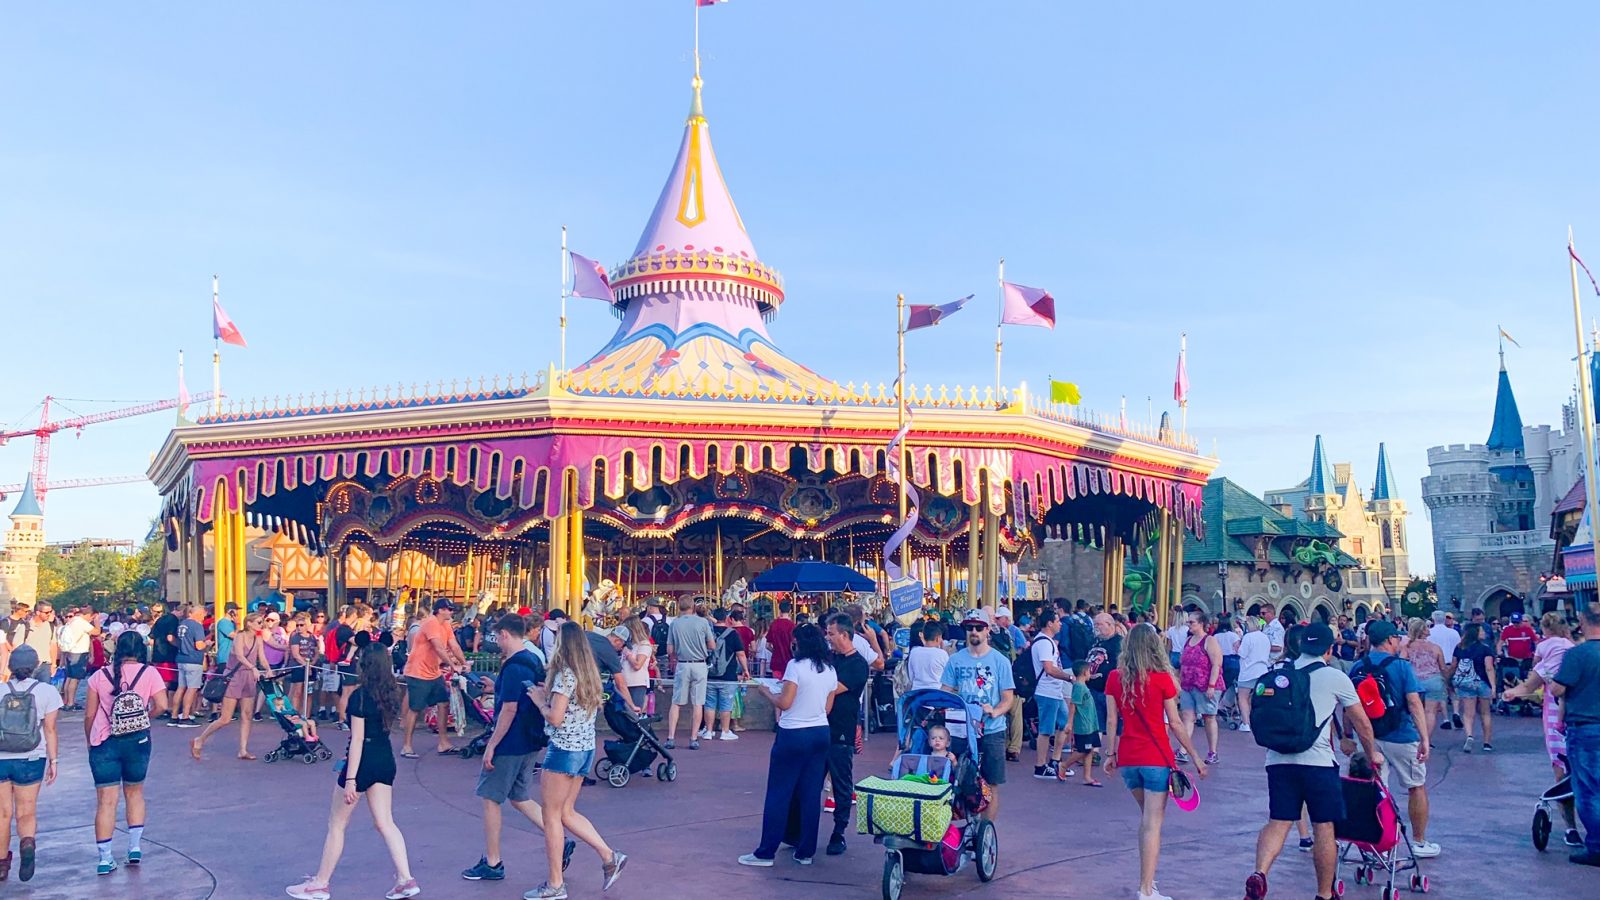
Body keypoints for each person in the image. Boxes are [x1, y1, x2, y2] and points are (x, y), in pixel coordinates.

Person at [1244, 622, 1382, 900]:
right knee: (1324, 826)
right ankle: (1324, 893)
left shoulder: (1279, 673)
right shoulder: (1334, 677)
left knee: (1279, 821)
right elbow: (1362, 723)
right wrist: (1371, 754)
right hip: (1317, 762)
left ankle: (1260, 873)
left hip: (1279, 760)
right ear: (1329, 649)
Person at [287, 644, 420, 900]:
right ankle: (405, 878)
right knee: (385, 822)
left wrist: (350, 779)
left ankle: (320, 883)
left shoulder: (359, 697)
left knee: (337, 823)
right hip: (385, 758)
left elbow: (357, 739)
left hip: (363, 760)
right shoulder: (391, 693)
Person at [460, 614, 575, 884]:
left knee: (490, 797)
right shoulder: (532, 660)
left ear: (504, 635)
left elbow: (509, 709)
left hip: (511, 741)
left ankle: (493, 861)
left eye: (498, 637)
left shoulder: (513, 666)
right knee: (519, 796)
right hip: (529, 739)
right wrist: (495, 686)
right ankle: (559, 838)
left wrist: (491, 745)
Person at [1102, 624, 1207, 900]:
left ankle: (1148, 882)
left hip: (1128, 757)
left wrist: (1110, 753)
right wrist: (1195, 756)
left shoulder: (1115, 677)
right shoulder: (1162, 679)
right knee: (1153, 824)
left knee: (1146, 821)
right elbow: (1175, 723)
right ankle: (1146, 889)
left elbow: (1112, 720)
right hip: (1156, 757)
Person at [527, 621, 627, 899]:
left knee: (551, 816)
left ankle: (555, 883)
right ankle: (608, 855)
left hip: (564, 748)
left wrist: (538, 700)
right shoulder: (589, 673)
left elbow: (555, 717)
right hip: (584, 747)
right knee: (566, 812)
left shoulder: (565, 675)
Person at [738, 623, 838, 867]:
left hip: (794, 733)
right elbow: (827, 708)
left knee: (779, 793)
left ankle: (766, 851)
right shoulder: (829, 669)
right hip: (820, 732)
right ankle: (805, 851)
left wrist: (765, 692)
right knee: (810, 793)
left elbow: (785, 702)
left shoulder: (795, 667)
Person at [1349, 621, 1437, 858]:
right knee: (1416, 786)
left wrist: (1348, 736)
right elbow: (1414, 703)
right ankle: (1418, 841)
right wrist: (1424, 738)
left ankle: (1379, 843)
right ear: (1389, 640)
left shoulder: (1357, 666)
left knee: (1376, 789)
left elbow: (1349, 705)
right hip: (1401, 735)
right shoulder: (1401, 666)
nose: (1399, 642)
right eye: (1397, 638)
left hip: (1369, 737)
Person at [84, 631, 167, 875]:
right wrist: (144, 718)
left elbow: (89, 714)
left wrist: (90, 740)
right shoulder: (150, 673)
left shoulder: (99, 676)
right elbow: (162, 705)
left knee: (105, 802)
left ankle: (104, 857)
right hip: (137, 740)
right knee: (135, 792)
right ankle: (134, 847)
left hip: (105, 741)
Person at [940, 610, 1015, 820]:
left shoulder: (1000, 661)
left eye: (979, 627)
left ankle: (985, 831)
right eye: (969, 627)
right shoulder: (955, 660)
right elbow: (945, 691)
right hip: (962, 729)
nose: (974, 632)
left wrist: (995, 710)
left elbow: (1008, 697)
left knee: (991, 782)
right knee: (958, 776)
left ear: (987, 630)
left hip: (991, 729)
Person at [0, 645, 59, 883]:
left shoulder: (1, 690)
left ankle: (2, 864)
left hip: (2, 757)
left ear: (10, 667)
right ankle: (27, 843)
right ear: (35, 666)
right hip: (32, 756)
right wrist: (54, 760)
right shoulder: (46, 691)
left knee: (3, 813)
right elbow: (51, 729)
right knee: (27, 810)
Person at [1552, 602, 1600, 866]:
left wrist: (1550, 680)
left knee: (1590, 789)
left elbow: (1559, 689)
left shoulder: (1578, 654)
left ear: (1583, 623)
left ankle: (1596, 847)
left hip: (1587, 727)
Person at [190, 612, 272, 761]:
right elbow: (240, 655)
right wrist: (253, 667)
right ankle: (200, 739)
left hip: (248, 677)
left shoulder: (258, 638)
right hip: (234, 676)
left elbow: (262, 657)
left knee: (247, 715)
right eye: (259, 622)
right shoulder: (240, 636)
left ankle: (243, 749)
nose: (262, 625)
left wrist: (268, 668)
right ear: (250, 623)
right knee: (225, 718)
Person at [822, 613, 869, 856]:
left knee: (841, 782)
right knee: (810, 779)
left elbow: (833, 688)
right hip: (819, 728)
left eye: (831, 634)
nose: (828, 638)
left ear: (844, 634)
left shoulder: (857, 664)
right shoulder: (830, 658)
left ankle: (839, 832)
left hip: (841, 730)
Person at [400, 598, 468, 759]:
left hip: (433, 671)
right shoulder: (431, 623)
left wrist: (464, 663)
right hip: (418, 671)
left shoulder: (446, 625)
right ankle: (407, 746)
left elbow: (454, 645)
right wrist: (452, 665)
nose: (451, 613)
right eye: (449, 610)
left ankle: (443, 742)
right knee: (415, 708)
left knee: (443, 703)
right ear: (441, 610)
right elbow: (438, 647)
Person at [664, 597, 715, 750]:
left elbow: (669, 650)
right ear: (693, 606)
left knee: (676, 702)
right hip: (699, 664)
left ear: (679, 606)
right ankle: (693, 738)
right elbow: (712, 645)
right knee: (698, 703)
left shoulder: (674, 624)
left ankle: (671, 737)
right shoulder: (703, 622)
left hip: (683, 664)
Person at [1028, 609, 1074, 780]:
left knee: (1065, 724)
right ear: (1049, 623)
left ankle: (1055, 761)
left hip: (1055, 690)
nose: (1060, 623)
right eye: (1057, 621)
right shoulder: (1044, 643)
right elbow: (1049, 668)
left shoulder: (1048, 642)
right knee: (1046, 730)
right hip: (1047, 690)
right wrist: (1069, 677)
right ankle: (1040, 766)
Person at [1176, 609, 1224, 765]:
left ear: (1201, 624)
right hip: (1188, 685)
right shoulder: (1188, 641)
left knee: (1209, 717)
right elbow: (1183, 663)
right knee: (1187, 717)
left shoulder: (1209, 641)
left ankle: (1213, 752)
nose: (1189, 625)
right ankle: (1183, 750)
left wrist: (1211, 685)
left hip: (1205, 685)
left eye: (1192, 622)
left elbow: (1216, 664)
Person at [699, 607, 749, 742]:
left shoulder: (707, 632)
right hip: (728, 675)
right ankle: (725, 731)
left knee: (709, 704)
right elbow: (741, 654)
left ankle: (708, 731)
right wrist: (745, 670)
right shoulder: (732, 634)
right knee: (726, 705)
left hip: (709, 674)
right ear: (726, 618)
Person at [1448, 623, 1497, 752]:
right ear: (1476, 633)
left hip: (1466, 683)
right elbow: (1489, 668)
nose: (1484, 633)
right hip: (1482, 682)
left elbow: (1454, 666)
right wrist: (1493, 686)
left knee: (1468, 714)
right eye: (1481, 631)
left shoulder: (1459, 648)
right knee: (1485, 713)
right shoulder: (1485, 649)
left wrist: (1448, 679)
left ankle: (1469, 735)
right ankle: (1487, 742)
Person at [1400, 618, 1447, 734]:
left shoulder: (1407, 646)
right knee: (1430, 712)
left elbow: (1401, 663)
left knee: (1414, 710)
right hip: (1433, 679)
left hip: (1414, 680)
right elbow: (1442, 667)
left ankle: (1416, 735)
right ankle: (1426, 739)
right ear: (1423, 630)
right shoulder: (1435, 647)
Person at [1059, 661, 1102, 786]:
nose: (1090, 673)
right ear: (1084, 672)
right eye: (1089, 671)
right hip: (1083, 725)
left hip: (1090, 724)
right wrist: (1070, 723)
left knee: (1089, 749)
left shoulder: (1082, 686)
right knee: (1084, 749)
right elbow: (1073, 705)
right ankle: (1064, 765)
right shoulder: (1078, 686)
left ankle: (1087, 777)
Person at [170, 605, 209, 727]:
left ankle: (174, 716)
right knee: (192, 688)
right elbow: (199, 645)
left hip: (181, 658)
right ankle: (185, 717)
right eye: (202, 614)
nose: (204, 616)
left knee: (181, 687)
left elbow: (173, 639)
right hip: (193, 659)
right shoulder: (197, 626)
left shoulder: (182, 624)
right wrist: (207, 643)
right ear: (196, 613)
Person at [1085, 612, 1122, 738]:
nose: (1097, 627)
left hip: (1110, 690)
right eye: (1095, 624)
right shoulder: (1096, 641)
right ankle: (1095, 752)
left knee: (1114, 723)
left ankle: (1114, 751)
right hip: (1094, 688)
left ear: (1109, 624)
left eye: (1099, 624)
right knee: (1096, 723)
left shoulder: (1119, 643)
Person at [56, 607, 100, 711]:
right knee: (75, 679)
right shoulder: (81, 622)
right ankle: (71, 702)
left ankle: (67, 701)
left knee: (69, 677)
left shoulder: (72, 621)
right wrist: (97, 621)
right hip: (79, 652)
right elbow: (96, 632)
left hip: (70, 652)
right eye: (92, 617)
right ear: (89, 615)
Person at [1235, 615, 1271, 735]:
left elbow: (1242, 653)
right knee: (1258, 697)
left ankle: (1246, 723)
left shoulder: (1248, 637)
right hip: (1262, 670)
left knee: (1243, 697)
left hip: (1248, 671)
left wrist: (1237, 646)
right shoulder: (1265, 637)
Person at [1428, 611, 1463, 731]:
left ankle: (1446, 719)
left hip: (1437, 664)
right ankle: (1456, 712)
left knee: (1442, 692)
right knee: (1453, 690)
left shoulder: (1430, 633)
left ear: (1433, 619)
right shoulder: (1453, 632)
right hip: (1452, 663)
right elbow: (1459, 648)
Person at [618, 617, 654, 714]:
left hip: (636, 683)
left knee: (634, 713)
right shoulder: (630, 645)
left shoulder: (644, 644)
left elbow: (637, 665)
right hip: (624, 683)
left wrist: (628, 654)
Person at [906, 620, 949, 690]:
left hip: (917, 692)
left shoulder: (914, 652)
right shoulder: (942, 654)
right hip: (935, 692)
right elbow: (947, 678)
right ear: (937, 638)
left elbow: (911, 676)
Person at [766, 601, 796, 679]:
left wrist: (776, 650)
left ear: (779, 610)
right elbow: (792, 646)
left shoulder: (774, 624)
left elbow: (767, 646)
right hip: (789, 661)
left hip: (776, 660)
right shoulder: (792, 625)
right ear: (790, 611)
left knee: (775, 687)